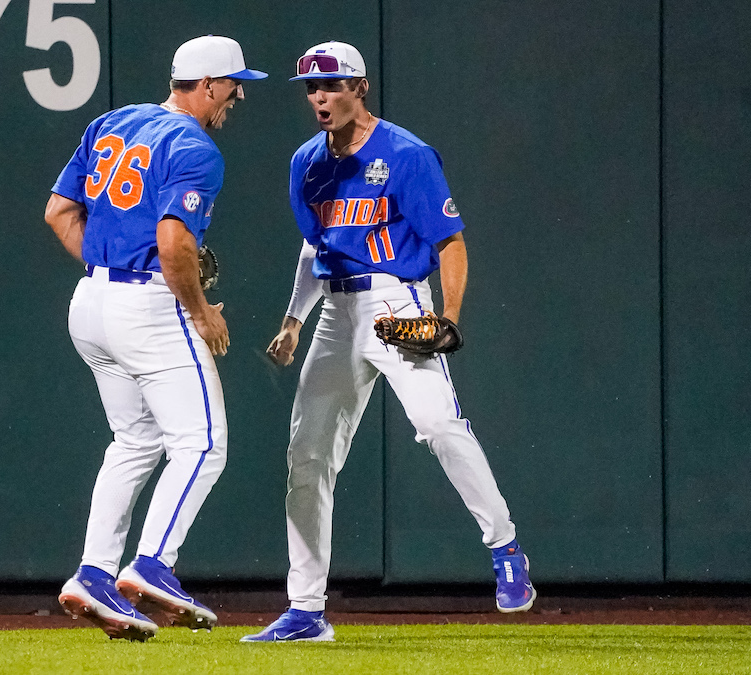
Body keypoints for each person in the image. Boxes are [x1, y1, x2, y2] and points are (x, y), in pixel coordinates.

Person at [241, 41, 534, 644]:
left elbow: (449, 241)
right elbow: (314, 247)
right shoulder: (306, 161)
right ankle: (305, 608)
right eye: (311, 88)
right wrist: (294, 319)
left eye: (333, 85)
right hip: (334, 310)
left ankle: (505, 548)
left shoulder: (407, 154)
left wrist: (448, 315)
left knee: (438, 424)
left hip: (397, 301)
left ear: (361, 87)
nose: (320, 97)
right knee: (307, 458)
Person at [43, 35, 266, 642]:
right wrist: (199, 310)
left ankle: (93, 574)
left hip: (91, 302)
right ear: (209, 84)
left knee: (134, 441)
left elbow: (59, 212)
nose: (238, 96)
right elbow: (173, 243)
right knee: (203, 444)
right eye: (233, 84)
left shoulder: (113, 122)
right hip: (148, 303)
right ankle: (152, 566)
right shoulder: (195, 146)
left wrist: (108, 272)